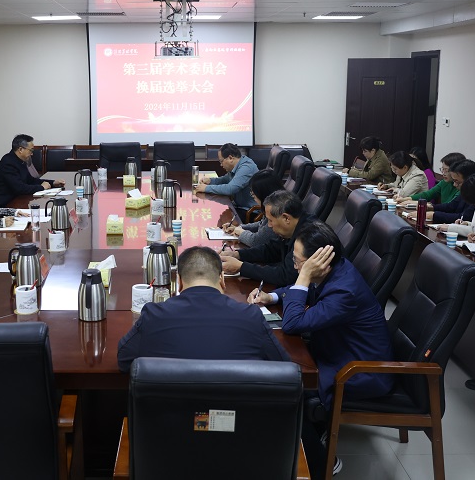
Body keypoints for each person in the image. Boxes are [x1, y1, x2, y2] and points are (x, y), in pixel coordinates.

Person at [247, 221, 393, 479]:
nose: (295, 267)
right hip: (337, 351)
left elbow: (292, 323)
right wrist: (272, 297)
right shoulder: (333, 270)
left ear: (320, 262)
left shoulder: (344, 290)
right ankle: (309, 432)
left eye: (299, 263)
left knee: (287, 388)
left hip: (360, 370)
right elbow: (303, 290)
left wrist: (304, 276)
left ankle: (321, 461)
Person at [116, 246, 290, 372]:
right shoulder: (251, 316)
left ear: (180, 282)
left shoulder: (153, 315)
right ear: (222, 279)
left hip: (171, 412)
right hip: (233, 412)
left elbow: (124, 359)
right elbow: (283, 366)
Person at [219, 190, 314, 286]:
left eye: (270, 220)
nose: (269, 225)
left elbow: (285, 276)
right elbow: (271, 250)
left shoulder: (309, 237)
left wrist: (241, 267)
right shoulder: (292, 228)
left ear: (286, 218)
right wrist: (237, 254)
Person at [0, 134, 65, 207]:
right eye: (31, 150)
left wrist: (52, 183)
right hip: (2, 206)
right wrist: (41, 187)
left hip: (16, 202)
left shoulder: (21, 161)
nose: (32, 154)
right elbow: (19, 188)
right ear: (20, 149)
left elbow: (30, 180)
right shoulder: (8, 162)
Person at [221, 169, 283, 248]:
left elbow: (256, 241)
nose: (253, 197)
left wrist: (241, 232)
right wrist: (239, 227)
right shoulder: (274, 202)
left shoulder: (277, 210)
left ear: (263, 194)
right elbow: (261, 224)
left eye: (254, 195)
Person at [407, 158, 475, 224]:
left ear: (469, 180)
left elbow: (464, 217)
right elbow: (451, 206)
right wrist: (430, 207)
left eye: (457, 182)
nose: (455, 185)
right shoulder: (465, 192)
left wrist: (433, 215)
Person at [194, 143, 258, 218]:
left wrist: (206, 188)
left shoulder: (246, 168)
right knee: (215, 211)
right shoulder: (237, 165)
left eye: (221, 161)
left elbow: (230, 189)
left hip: (250, 211)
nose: (221, 165)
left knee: (218, 217)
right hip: (239, 206)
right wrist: (210, 181)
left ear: (230, 158)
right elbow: (225, 179)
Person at [396, 152, 464, 206]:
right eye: (442, 169)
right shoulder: (444, 182)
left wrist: (428, 206)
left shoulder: (461, 187)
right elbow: (427, 195)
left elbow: (450, 206)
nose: (443, 173)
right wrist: (406, 199)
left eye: (446, 170)